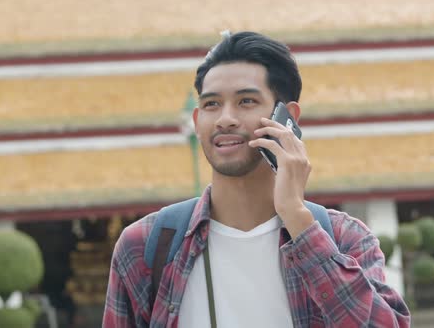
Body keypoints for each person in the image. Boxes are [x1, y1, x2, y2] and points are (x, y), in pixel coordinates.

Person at [102, 31, 410, 327]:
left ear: (286, 118)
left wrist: (297, 219)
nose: (225, 119)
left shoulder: (345, 239)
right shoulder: (146, 246)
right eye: (211, 104)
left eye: (246, 101)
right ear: (197, 122)